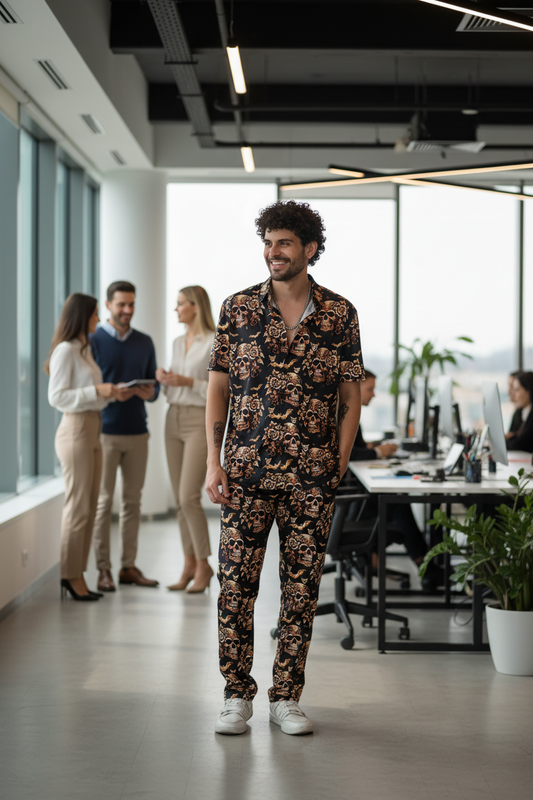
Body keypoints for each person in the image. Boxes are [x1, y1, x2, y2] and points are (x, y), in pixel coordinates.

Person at [206, 200, 364, 736]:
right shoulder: (238, 308)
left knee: (300, 593)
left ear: (309, 250)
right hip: (245, 474)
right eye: (268, 243)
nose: (273, 252)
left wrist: (338, 462)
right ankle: (235, 695)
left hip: (311, 478)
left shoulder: (340, 313)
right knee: (235, 588)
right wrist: (213, 460)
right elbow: (218, 390)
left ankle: (286, 698)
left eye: (284, 244)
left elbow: (350, 395)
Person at [47, 293, 122, 601]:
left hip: (93, 426)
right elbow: (57, 397)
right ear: (82, 316)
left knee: (90, 506)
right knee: (78, 507)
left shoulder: (84, 350)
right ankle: (70, 576)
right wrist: (95, 390)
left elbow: (90, 394)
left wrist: (110, 394)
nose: (98, 320)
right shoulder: (65, 351)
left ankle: (78, 573)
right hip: (76, 429)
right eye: (94, 315)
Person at [90, 281, 160, 592]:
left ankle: (128, 566)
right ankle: (103, 570)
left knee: (133, 503)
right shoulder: (93, 340)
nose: (127, 310)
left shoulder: (144, 342)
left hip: (137, 431)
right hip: (104, 431)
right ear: (108, 305)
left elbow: (155, 389)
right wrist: (109, 395)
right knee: (104, 503)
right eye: (121, 305)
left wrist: (149, 391)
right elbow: (89, 386)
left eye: (131, 304)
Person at [348, 371, 442, 590]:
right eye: (370, 389)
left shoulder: (347, 411)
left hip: (348, 498)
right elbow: (349, 453)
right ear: (355, 388)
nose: (374, 394)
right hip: (350, 504)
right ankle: (426, 566)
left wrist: (376, 447)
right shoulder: (345, 413)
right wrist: (379, 453)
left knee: (398, 499)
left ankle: (425, 565)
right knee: (397, 502)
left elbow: (357, 447)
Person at [156, 286, 216, 593]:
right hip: (173, 417)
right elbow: (173, 388)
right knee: (180, 502)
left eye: (180, 304)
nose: (176, 309)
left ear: (195, 307)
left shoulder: (213, 341)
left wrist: (187, 381)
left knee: (188, 497)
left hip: (197, 420)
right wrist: (166, 380)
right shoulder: (178, 342)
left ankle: (204, 565)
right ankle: (189, 563)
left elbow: (219, 391)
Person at [506, 371, 533, 453]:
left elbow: (521, 444)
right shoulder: (520, 412)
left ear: (529, 391)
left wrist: (511, 437)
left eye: (517, 390)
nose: (513, 395)